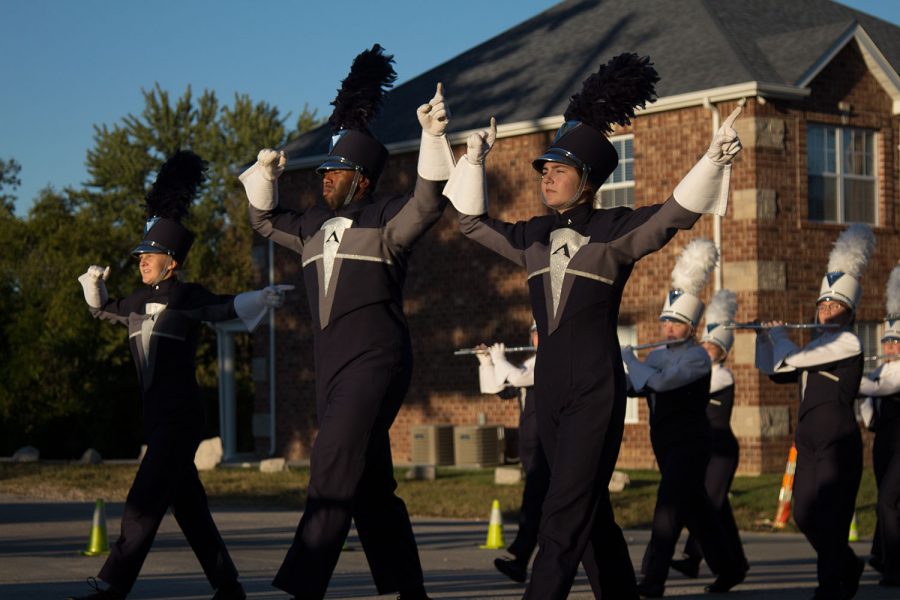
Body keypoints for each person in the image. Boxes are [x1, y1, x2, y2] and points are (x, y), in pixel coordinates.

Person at [443, 52, 743, 600]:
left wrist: (712, 160)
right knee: (590, 518)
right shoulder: (532, 235)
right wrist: (471, 163)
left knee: (562, 513)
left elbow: (674, 213)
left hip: (594, 389)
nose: (546, 177)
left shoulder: (613, 231)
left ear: (587, 181)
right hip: (550, 387)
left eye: (558, 170)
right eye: (544, 169)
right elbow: (469, 222)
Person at [239, 45, 454, 600]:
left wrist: (432, 138)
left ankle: (301, 585)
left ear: (360, 178)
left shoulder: (385, 221)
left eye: (334, 172)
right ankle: (409, 590)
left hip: (377, 363)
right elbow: (263, 220)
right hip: (330, 372)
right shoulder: (309, 225)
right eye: (324, 171)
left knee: (332, 461)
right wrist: (265, 176)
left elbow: (429, 203)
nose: (324, 180)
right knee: (370, 488)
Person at [70, 151, 288, 600]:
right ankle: (228, 585)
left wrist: (260, 298)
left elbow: (223, 305)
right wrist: (95, 286)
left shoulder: (187, 295)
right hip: (157, 419)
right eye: (141, 255)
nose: (141, 261)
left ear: (171, 260)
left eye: (149, 255)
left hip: (181, 418)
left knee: (143, 500)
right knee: (190, 508)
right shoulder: (133, 300)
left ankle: (112, 585)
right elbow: (104, 311)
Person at [756, 224, 875, 600]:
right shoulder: (811, 347)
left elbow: (791, 358)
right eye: (823, 304)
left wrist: (780, 339)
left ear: (849, 312)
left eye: (835, 305)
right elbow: (776, 370)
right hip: (806, 445)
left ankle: (829, 587)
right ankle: (848, 564)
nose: (826, 311)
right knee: (804, 515)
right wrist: (764, 340)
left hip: (837, 444)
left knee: (832, 519)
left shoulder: (848, 342)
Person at [622, 240, 746, 597]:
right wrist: (621, 368)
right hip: (664, 442)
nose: (669, 329)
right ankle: (731, 567)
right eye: (666, 322)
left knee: (669, 507)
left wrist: (632, 361)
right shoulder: (659, 354)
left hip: (690, 444)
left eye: (677, 323)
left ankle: (653, 578)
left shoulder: (697, 360)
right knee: (698, 512)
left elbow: (659, 382)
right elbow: (637, 385)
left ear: (692, 327)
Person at [670, 289, 748, 581]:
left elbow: (687, 384)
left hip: (722, 450)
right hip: (705, 447)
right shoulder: (700, 369)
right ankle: (737, 564)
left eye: (712, 347)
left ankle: (693, 557)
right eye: (704, 344)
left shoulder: (721, 375)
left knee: (710, 503)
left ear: (723, 352)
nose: (706, 349)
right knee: (720, 510)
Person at [473, 323, 549, 584]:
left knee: (535, 504)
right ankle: (525, 561)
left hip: (548, 448)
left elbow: (516, 378)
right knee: (542, 507)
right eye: (535, 333)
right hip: (530, 447)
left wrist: (500, 359)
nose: (537, 338)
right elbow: (497, 388)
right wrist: (486, 362)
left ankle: (522, 559)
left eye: (541, 332)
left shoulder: (552, 362)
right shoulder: (530, 362)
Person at [858, 265, 900, 587]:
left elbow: (879, 390)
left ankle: (894, 564)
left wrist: (851, 378)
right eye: (887, 342)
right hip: (885, 440)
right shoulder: (882, 371)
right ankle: (882, 553)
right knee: (886, 501)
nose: (889, 348)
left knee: (888, 499)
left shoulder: (895, 373)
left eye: (896, 342)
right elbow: (870, 416)